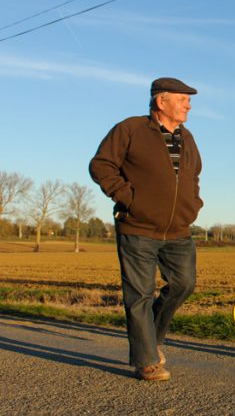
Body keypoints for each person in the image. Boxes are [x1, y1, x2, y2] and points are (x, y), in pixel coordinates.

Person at [89, 77, 203, 381]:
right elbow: (101, 166)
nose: (188, 105)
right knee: (139, 294)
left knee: (184, 284)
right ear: (160, 101)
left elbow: (194, 176)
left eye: (189, 100)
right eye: (183, 99)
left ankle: (150, 339)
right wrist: (129, 198)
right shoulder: (130, 129)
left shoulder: (187, 137)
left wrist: (193, 204)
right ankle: (147, 360)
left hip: (178, 229)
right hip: (137, 226)